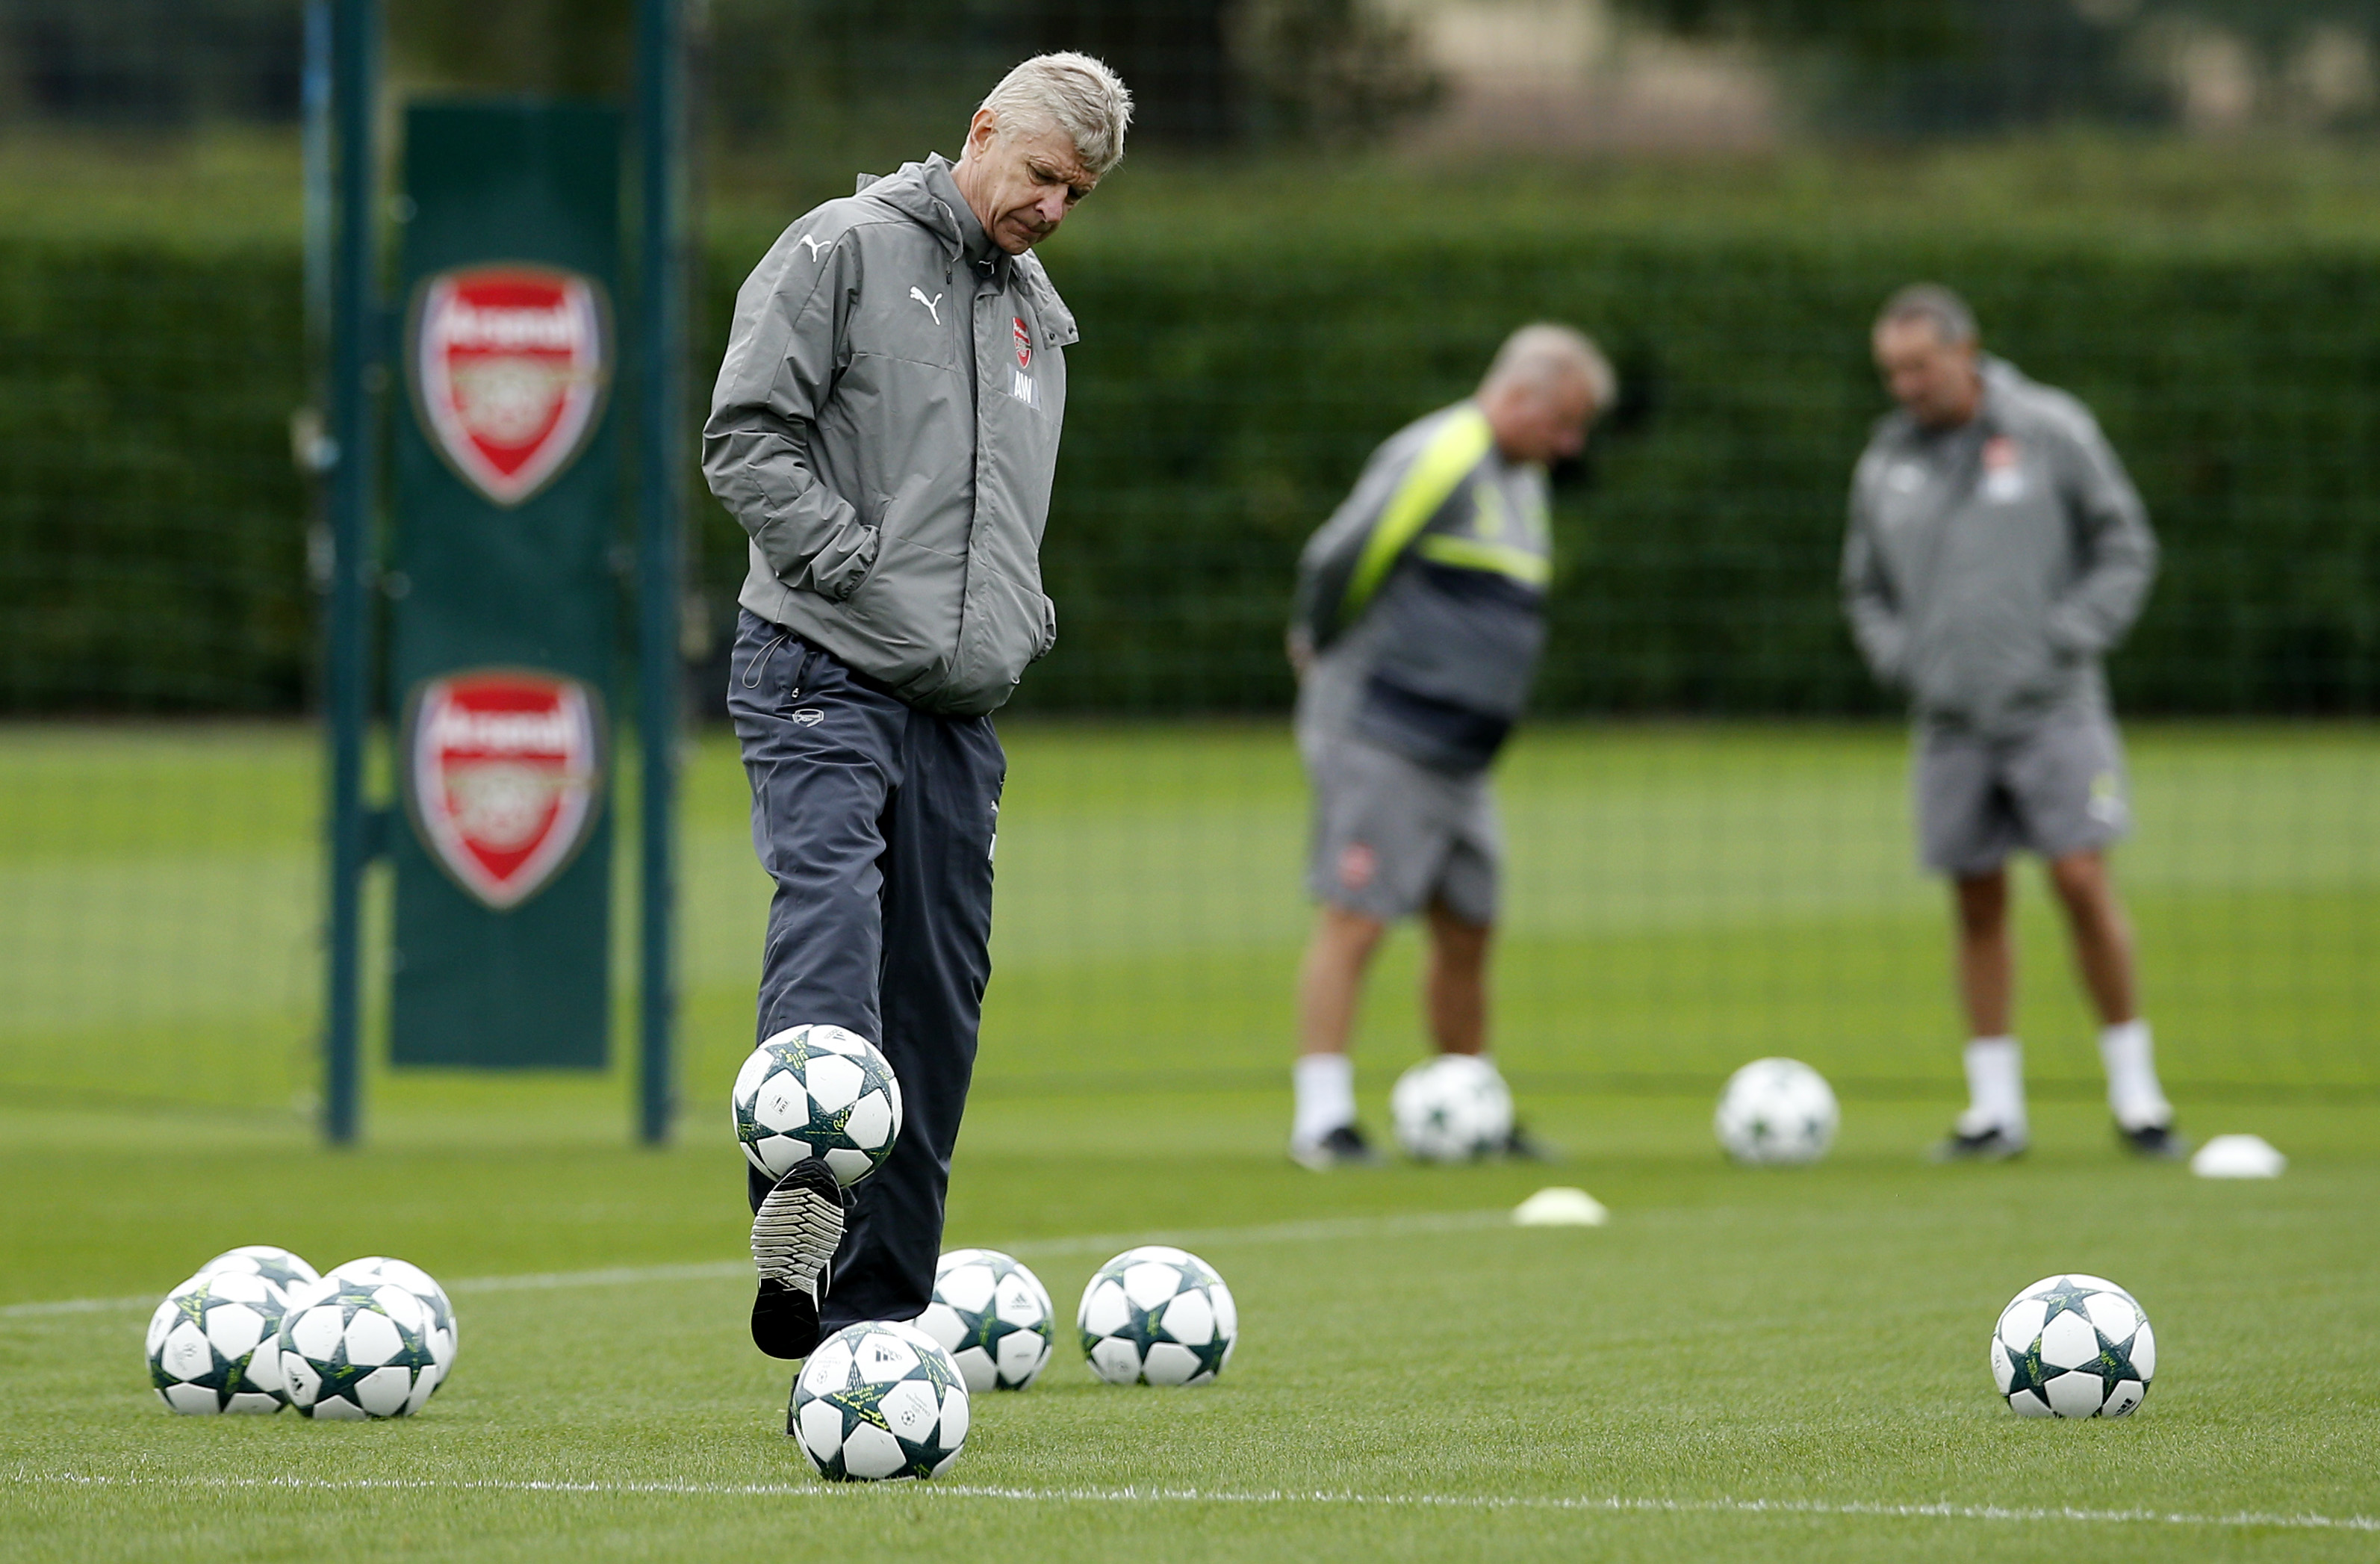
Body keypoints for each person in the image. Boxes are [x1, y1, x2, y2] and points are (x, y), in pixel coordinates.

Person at [702, 54, 1132, 1379]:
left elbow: (998, 516)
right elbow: (743, 436)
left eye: (1080, 191)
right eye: (1043, 173)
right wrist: (843, 558)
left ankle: (875, 1325)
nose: (1055, 205)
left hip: (955, 706)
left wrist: (1019, 619)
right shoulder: (840, 248)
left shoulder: (1033, 316)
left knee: (937, 998)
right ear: (980, 130)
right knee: (832, 918)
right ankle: (804, 1201)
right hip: (818, 661)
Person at [1843, 283, 2183, 1161]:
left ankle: (2138, 1097)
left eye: (1919, 366)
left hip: (2054, 710)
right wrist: (1903, 660)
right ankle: (1995, 1113)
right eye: (1892, 371)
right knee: (1974, 896)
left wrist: (2065, 637)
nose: (1906, 386)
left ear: (1965, 351)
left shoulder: (2049, 429)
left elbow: (2124, 544)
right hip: (1950, 721)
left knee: (2078, 880)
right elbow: (1863, 587)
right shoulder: (1884, 459)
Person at [1283, 324, 1612, 1169]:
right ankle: (1323, 1122)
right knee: (1355, 916)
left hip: (1462, 757)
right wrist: (1314, 644)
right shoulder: (1446, 452)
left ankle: (1472, 1109)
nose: (1570, 444)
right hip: (1382, 731)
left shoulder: (1522, 476)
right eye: (1563, 422)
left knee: (1469, 925)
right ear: (1518, 396)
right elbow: (1343, 553)